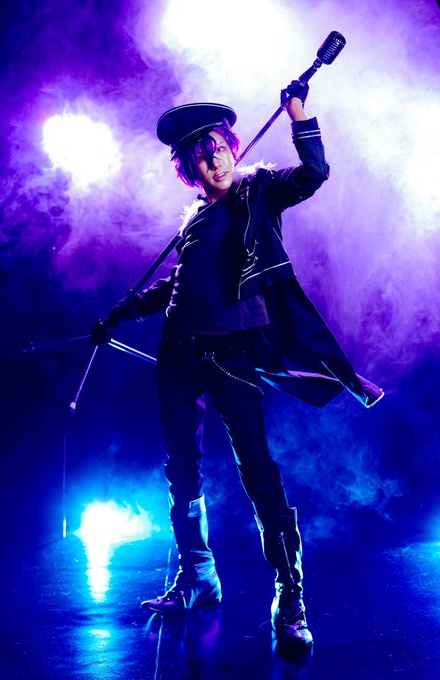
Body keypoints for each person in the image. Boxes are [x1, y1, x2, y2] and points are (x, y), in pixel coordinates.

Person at [91, 81, 384, 649]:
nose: (214, 160)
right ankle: (198, 578)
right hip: (177, 357)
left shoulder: (258, 194)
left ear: (234, 146)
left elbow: (314, 173)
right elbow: (179, 286)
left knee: (258, 473)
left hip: (233, 358)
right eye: (200, 157)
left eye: (219, 148)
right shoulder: (194, 221)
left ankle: (290, 594)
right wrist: (120, 313)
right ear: (187, 173)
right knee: (181, 470)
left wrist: (299, 115)